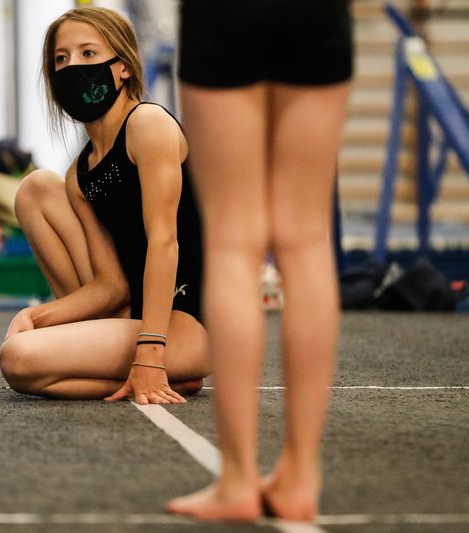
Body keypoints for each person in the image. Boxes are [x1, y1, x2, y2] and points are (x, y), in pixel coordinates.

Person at [166, 0, 353, 523]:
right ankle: (300, 475)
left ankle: (237, 479)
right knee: (306, 239)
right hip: (315, 16)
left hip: (226, 14)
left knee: (232, 242)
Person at [0, 6, 210, 404]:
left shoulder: (148, 125)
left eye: (89, 54)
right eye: (61, 59)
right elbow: (111, 286)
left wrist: (149, 354)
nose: (73, 66)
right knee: (35, 189)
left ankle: (161, 366)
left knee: (19, 358)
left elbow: (165, 241)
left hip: (185, 322)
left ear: (124, 67)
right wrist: (36, 316)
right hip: (129, 311)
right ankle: (160, 373)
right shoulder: (79, 173)